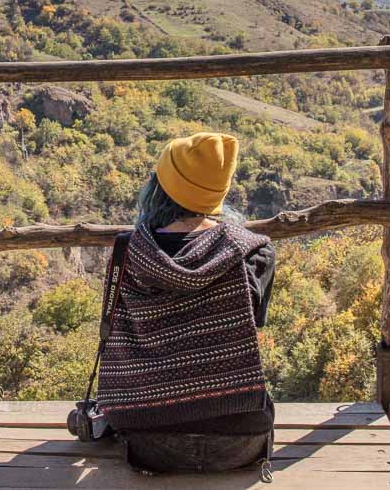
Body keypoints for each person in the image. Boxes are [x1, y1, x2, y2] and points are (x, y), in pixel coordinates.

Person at [95, 132, 277, 476]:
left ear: (158, 185)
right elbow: (251, 326)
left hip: (149, 443)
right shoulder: (254, 251)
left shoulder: (129, 252)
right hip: (241, 441)